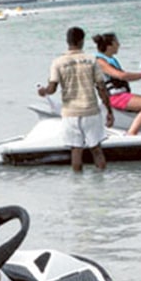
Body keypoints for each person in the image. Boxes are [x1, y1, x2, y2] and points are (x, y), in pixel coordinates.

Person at [38, 26, 114, 172]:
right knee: (96, 149)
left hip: (70, 112)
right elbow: (102, 88)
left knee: (76, 150)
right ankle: (102, 184)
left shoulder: (58, 62)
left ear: (67, 41)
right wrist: (109, 111)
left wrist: (44, 91)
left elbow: (52, 89)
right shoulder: (91, 60)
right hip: (90, 110)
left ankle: (78, 187)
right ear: (82, 41)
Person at [93, 32, 141, 136]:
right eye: (116, 42)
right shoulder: (100, 61)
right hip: (115, 97)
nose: (119, 45)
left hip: (122, 95)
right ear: (109, 45)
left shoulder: (110, 60)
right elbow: (121, 76)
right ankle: (131, 133)